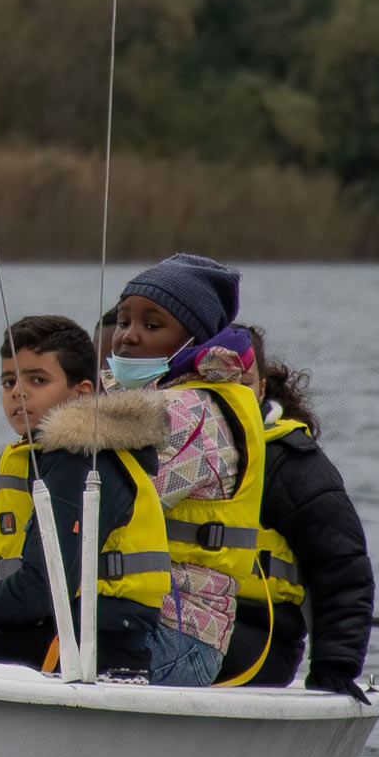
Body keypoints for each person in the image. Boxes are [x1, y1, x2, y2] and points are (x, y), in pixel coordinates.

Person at [0, 316, 167, 675]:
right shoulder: (55, 457)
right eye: (9, 381)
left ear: (82, 393)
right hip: (57, 631)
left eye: (37, 380)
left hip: (92, 648)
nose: (18, 392)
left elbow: (36, 594)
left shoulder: (81, 462)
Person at [108, 253, 264, 686]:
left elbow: (102, 504)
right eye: (123, 322)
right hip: (132, 615)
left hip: (179, 636)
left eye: (151, 325)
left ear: (193, 339)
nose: (128, 338)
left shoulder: (190, 412)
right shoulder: (147, 400)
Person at [219, 326, 374, 695]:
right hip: (175, 622)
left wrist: (334, 665)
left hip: (258, 636)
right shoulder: (158, 451)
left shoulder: (289, 463)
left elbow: (343, 567)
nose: (225, 393)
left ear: (260, 388)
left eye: (239, 380)